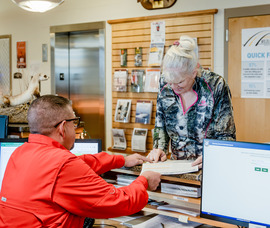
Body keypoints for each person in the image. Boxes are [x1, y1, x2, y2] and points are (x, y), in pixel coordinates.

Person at [0, 95, 161, 227]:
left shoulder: (20, 153)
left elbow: (81, 162)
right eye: (74, 122)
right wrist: (144, 181)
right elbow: (119, 201)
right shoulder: (62, 164)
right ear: (63, 128)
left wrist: (121, 160)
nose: (75, 127)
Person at [148, 35, 236, 167]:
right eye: (170, 82)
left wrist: (212, 156)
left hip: (210, 165)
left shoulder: (215, 85)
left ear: (194, 72)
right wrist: (159, 148)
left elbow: (226, 135)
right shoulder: (165, 83)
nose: (173, 87)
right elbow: (160, 123)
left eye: (180, 82)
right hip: (176, 166)